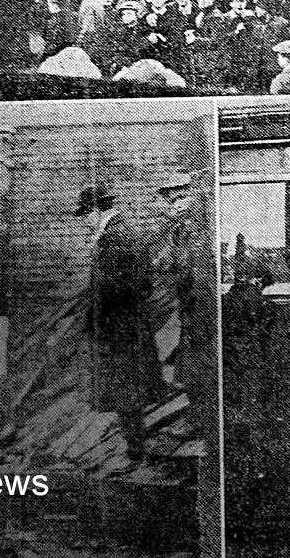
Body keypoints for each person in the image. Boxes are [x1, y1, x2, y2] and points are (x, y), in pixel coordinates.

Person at [77, 184, 162, 461]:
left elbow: (112, 286)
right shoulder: (126, 233)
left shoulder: (114, 237)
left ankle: (136, 450)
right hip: (129, 325)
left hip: (119, 328)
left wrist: (97, 317)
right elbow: (144, 284)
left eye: (86, 215)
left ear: (96, 210)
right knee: (129, 390)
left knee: (125, 391)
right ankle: (136, 446)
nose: (86, 222)